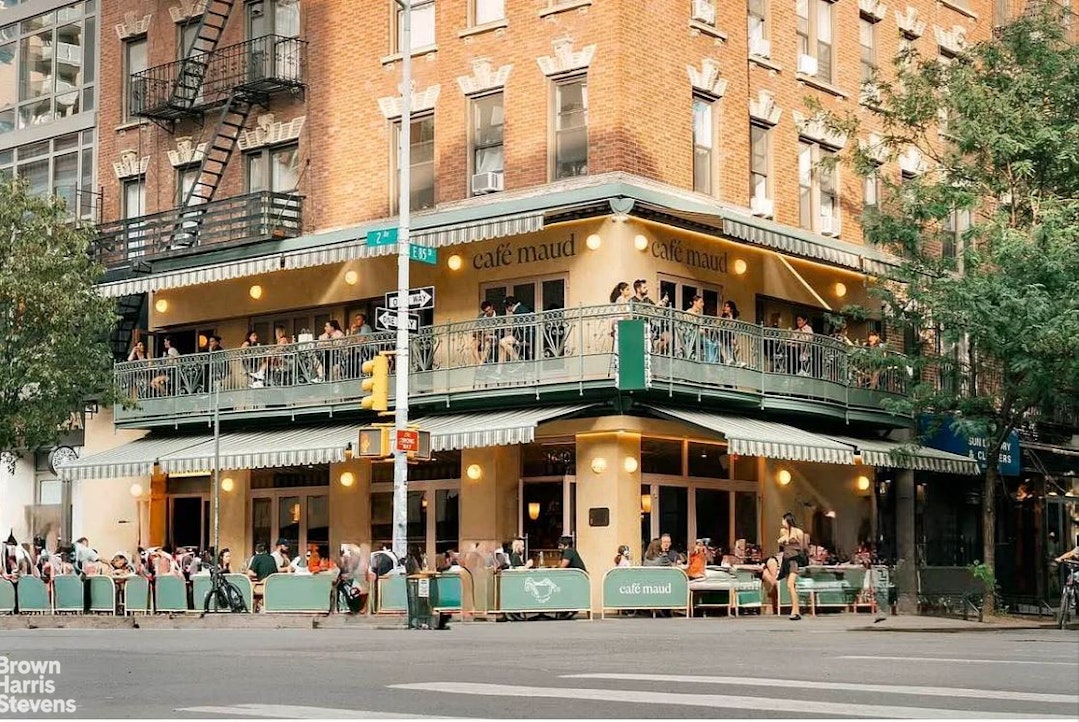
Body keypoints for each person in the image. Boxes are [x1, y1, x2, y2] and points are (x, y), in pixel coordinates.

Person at [763, 512, 809, 620]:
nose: (782, 522)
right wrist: (783, 541)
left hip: (794, 560)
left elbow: (803, 547)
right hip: (786, 559)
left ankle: (796, 611)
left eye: (783, 520)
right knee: (791, 587)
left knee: (790, 584)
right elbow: (782, 543)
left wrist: (795, 544)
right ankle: (795, 610)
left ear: (788, 520)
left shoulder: (798, 532)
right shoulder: (782, 531)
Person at [631, 279, 671, 354]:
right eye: (644, 288)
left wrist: (663, 304)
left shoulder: (648, 300)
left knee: (667, 337)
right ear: (638, 289)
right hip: (639, 327)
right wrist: (656, 306)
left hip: (652, 326)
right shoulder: (633, 301)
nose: (647, 289)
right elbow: (642, 314)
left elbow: (657, 313)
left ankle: (656, 351)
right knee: (648, 336)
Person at [499, 296, 533, 363]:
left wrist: (512, 327)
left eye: (506, 306)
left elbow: (522, 326)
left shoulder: (519, 310)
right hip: (523, 336)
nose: (506, 309)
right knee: (502, 344)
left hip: (525, 337)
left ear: (511, 305)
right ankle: (499, 370)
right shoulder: (521, 309)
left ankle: (518, 361)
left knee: (502, 342)